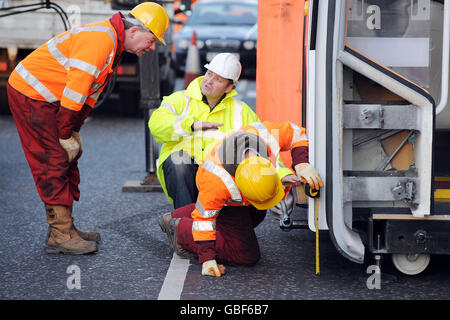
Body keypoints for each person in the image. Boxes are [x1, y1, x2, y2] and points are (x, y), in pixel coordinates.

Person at [6, 2, 170, 255]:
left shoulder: (112, 43)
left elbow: (88, 95)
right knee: (52, 161)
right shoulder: (101, 41)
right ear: (135, 31)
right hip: (32, 95)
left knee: (62, 159)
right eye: (151, 40)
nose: (151, 48)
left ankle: (63, 230)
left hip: (46, 97)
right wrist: (64, 135)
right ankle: (61, 235)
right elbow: (75, 94)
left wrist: (73, 131)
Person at [159, 121, 323, 277]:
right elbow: (204, 219)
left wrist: (302, 163)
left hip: (226, 199)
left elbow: (296, 132)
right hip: (225, 202)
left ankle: (176, 215)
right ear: (240, 187)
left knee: (256, 215)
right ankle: (180, 228)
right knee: (245, 255)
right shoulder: (216, 181)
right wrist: (207, 258)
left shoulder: (264, 136)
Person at [148, 53, 260, 209]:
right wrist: (191, 125)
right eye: (209, 74)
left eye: (218, 79)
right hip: (186, 171)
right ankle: (185, 223)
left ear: (229, 88)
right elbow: (156, 125)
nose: (209, 81)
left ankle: (222, 222)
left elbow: (263, 144)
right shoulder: (180, 99)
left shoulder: (242, 111)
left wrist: (281, 174)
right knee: (179, 161)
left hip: (219, 176)